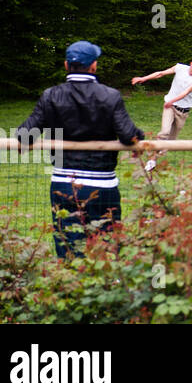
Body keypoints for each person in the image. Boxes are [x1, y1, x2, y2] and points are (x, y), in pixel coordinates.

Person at [17, 41, 146, 259]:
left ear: (66, 65)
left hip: (63, 184)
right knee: (107, 245)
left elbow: (25, 135)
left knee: (68, 246)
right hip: (102, 184)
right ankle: (107, 288)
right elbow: (128, 135)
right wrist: (139, 136)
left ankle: (70, 289)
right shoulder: (110, 95)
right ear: (94, 66)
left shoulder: (51, 95)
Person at [131, 55, 192, 167]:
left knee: (170, 142)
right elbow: (161, 73)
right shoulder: (180, 68)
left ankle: (154, 158)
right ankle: (151, 161)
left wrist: (172, 100)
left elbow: (186, 92)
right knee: (164, 132)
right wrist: (143, 78)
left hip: (183, 112)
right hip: (170, 107)